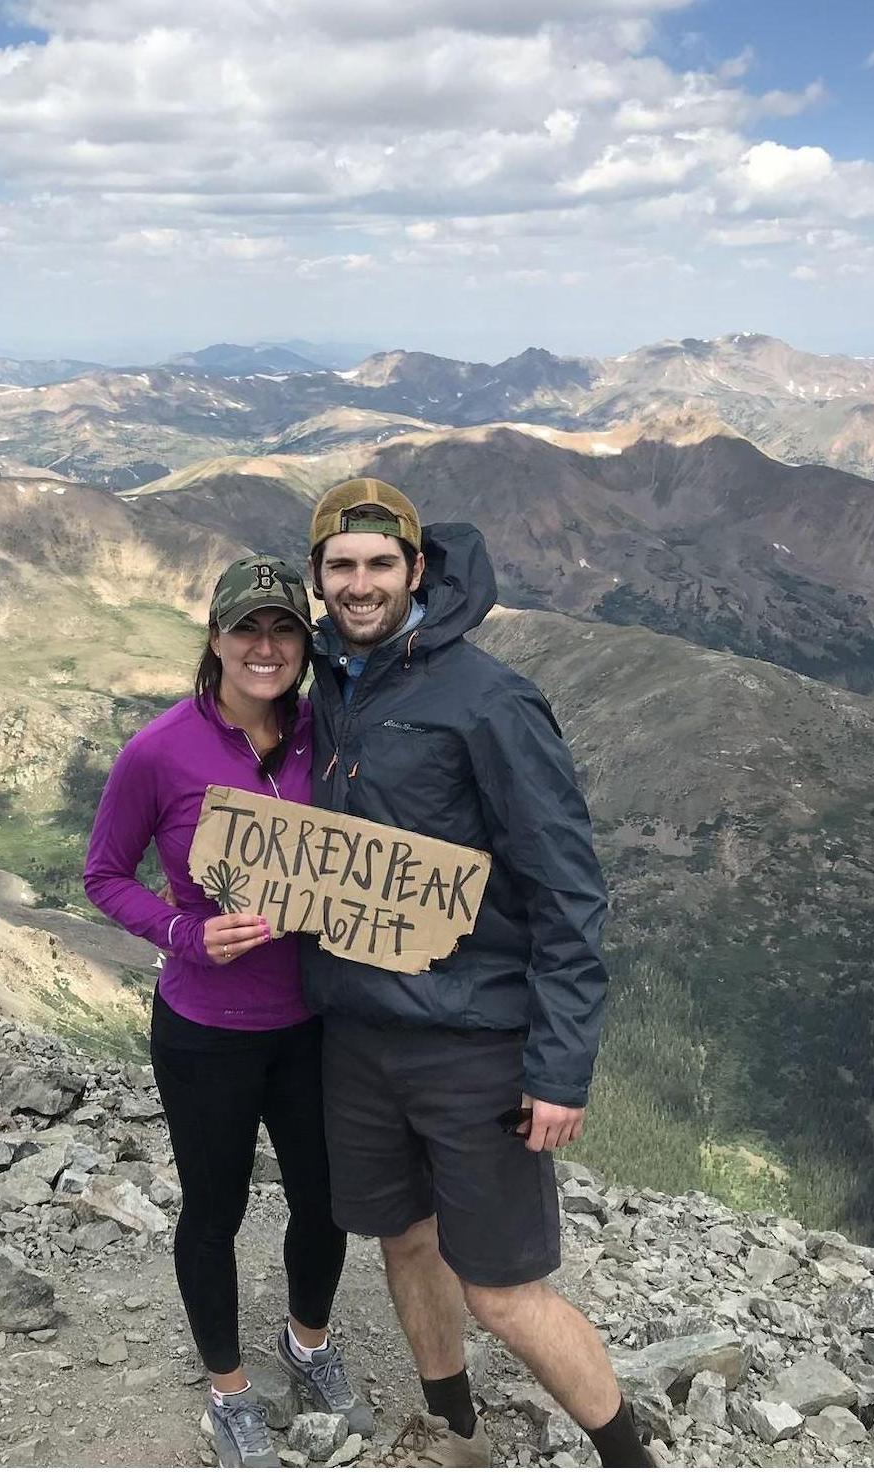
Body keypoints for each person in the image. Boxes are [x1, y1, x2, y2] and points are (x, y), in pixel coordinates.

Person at [302, 480, 656, 1468]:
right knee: (402, 1239)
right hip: (358, 1036)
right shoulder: (328, 682)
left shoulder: (489, 698)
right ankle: (448, 1418)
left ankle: (629, 1455)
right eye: (342, 566)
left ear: (418, 570)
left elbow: (567, 887)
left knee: (500, 1287)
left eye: (380, 564)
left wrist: (558, 1065)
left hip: (472, 1046)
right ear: (319, 577)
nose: (361, 583)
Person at [84, 554, 374, 1469]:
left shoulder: (327, 736)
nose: (264, 646)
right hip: (205, 1029)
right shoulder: (159, 750)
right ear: (214, 641)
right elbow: (101, 875)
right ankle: (229, 1390)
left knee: (324, 1203)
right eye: (246, 628)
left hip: (314, 1021)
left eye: (283, 628)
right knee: (213, 1210)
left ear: (304, 643)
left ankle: (307, 1345)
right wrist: (182, 931)